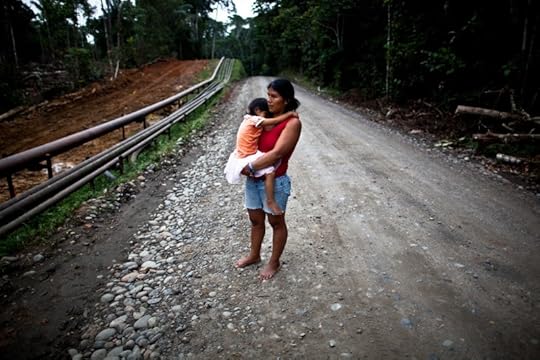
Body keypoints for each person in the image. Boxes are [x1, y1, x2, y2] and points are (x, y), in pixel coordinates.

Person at [235, 78, 302, 280]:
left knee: (276, 222)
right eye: (268, 95)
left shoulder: (292, 123)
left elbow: (277, 154)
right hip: (254, 179)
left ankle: (274, 261)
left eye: (274, 96)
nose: (269, 100)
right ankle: (254, 255)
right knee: (255, 220)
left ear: (287, 100)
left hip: (275, 180)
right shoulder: (263, 118)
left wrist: (250, 167)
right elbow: (246, 141)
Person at [224, 98, 297, 215]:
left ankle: (269, 194)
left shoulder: (247, 119)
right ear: (257, 110)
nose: (266, 117)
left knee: (270, 160)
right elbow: (273, 121)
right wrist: (289, 114)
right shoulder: (255, 119)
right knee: (270, 172)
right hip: (248, 154)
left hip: (243, 153)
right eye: (265, 114)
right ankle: (271, 200)